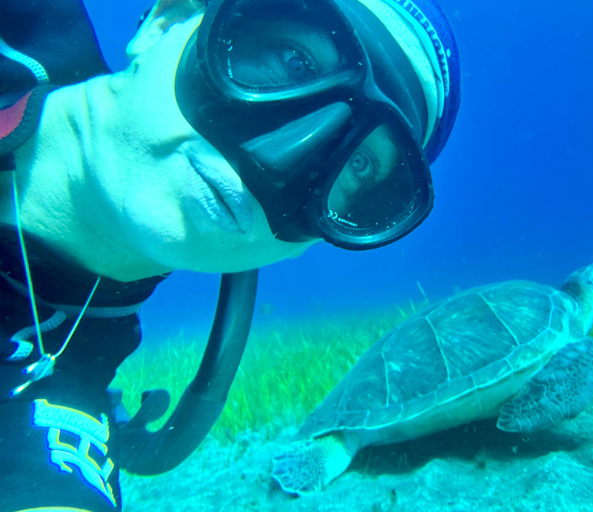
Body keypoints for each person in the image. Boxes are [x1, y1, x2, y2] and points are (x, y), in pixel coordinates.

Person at [0, 0, 461, 510]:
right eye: (294, 62)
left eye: (358, 164)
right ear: (166, 21)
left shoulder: (58, 382)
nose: (276, 162)